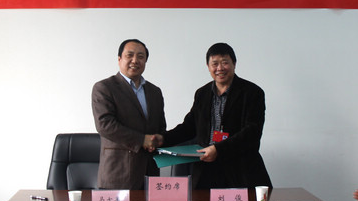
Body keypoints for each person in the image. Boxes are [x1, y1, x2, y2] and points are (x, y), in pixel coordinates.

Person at [163, 42, 272, 190]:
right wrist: (162, 139)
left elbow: (252, 132)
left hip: (241, 170)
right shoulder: (202, 93)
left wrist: (219, 149)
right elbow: (189, 127)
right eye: (215, 64)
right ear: (208, 67)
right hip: (206, 169)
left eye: (225, 62)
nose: (220, 68)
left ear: (234, 64)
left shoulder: (252, 92)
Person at [92, 39, 167, 189]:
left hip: (150, 172)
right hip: (119, 173)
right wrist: (142, 140)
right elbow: (105, 125)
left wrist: (159, 138)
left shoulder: (155, 91)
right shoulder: (104, 88)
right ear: (119, 59)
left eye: (141, 56)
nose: (135, 60)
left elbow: (160, 125)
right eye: (130, 55)